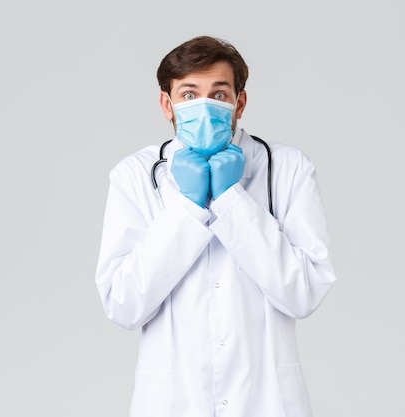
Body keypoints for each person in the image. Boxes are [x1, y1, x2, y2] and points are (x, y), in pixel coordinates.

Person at [95, 35, 336, 417]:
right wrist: (188, 208)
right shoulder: (135, 175)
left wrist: (231, 200)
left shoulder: (289, 169)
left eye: (219, 95)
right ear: (166, 103)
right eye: (189, 95)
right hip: (174, 401)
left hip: (266, 401)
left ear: (240, 102)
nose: (203, 107)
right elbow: (124, 304)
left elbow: (303, 294)